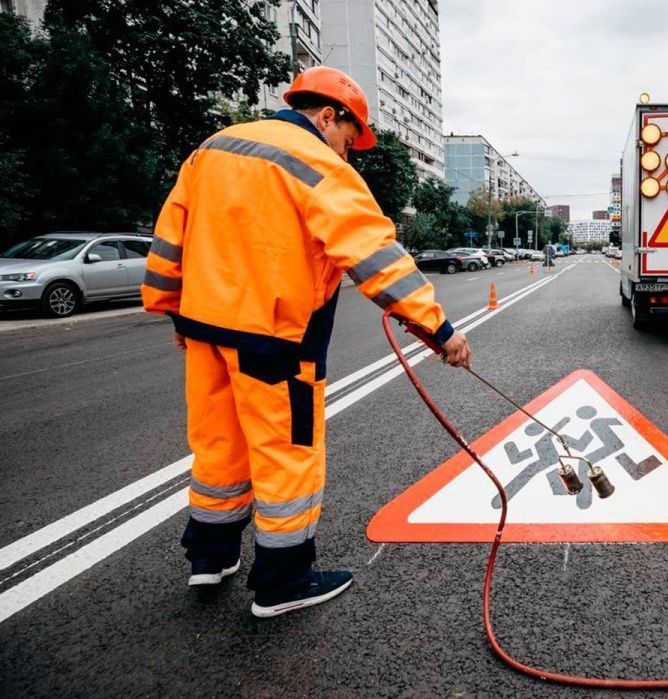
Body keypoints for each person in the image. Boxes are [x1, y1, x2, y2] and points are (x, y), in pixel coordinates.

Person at [141, 66, 471, 618]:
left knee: (218, 448)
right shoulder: (317, 165)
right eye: (350, 138)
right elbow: (377, 257)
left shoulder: (211, 150)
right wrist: (437, 330)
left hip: (204, 330)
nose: (349, 152)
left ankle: (209, 557)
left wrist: (173, 312)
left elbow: (171, 235)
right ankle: (283, 582)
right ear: (327, 116)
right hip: (275, 340)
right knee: (286, 458)